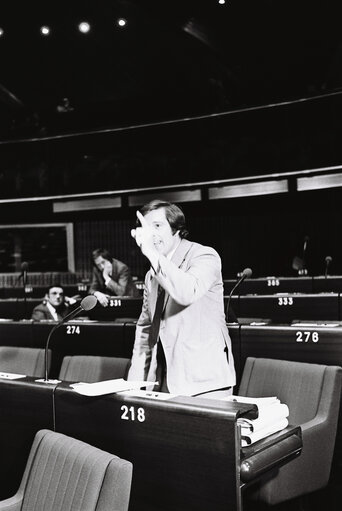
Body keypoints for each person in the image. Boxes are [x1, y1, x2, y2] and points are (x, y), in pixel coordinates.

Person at [127, 199, 236, 399]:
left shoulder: (203, 255)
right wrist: (135, 384)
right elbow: (145, 329)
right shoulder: (152, 275)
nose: (150, 234)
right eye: (145, 227)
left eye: (157, 226)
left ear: (176, 228)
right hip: (164, 381)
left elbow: (188, 292)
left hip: (204, 383)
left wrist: (151, 252)